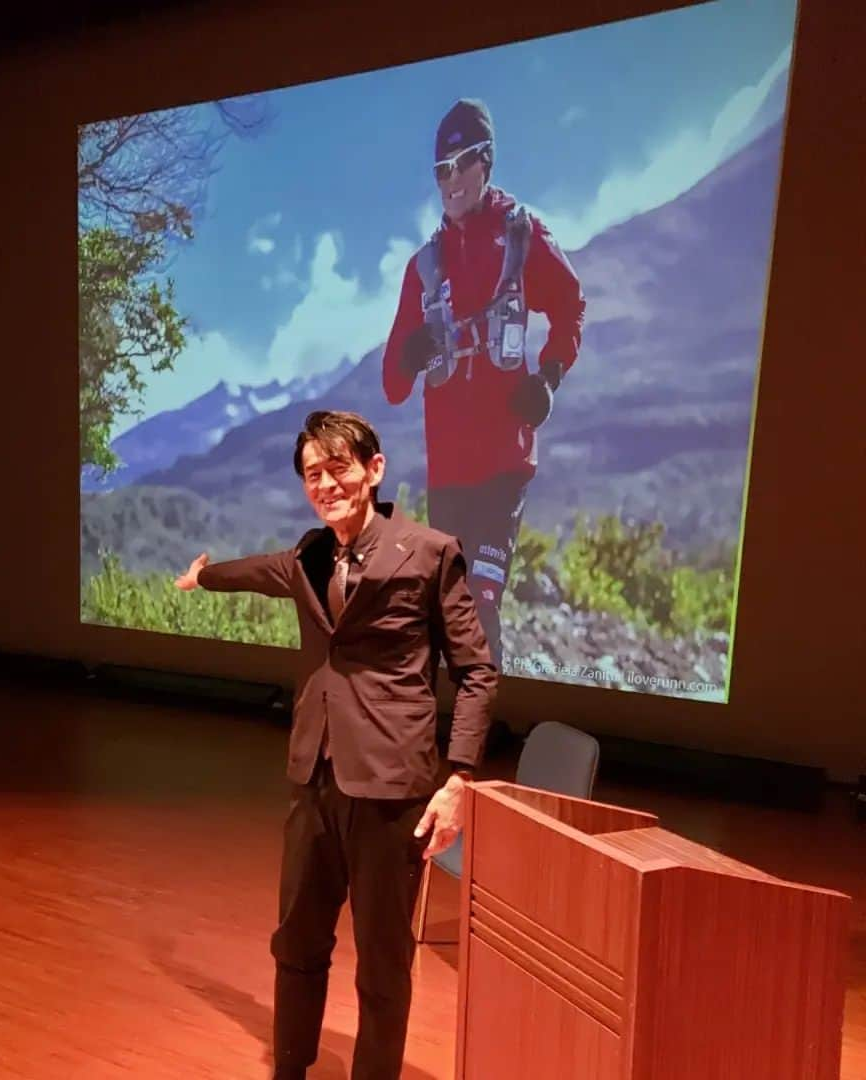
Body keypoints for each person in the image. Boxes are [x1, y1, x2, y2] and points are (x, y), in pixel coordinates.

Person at [175, 410, 497, 1080]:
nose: (326, 484)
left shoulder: (431, 552)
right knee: (296, 943)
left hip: (390, 793)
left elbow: (476, 671)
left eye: (338, 468)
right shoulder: (309, 555)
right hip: (314, 782)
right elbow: (258, 571)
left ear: (374, 470)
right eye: (313, 475)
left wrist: (460, 777)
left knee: (383, 966)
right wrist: (202, 577)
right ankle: (289, 1069)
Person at [383, 97, 586, 672]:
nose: (449, 180)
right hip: (449, 473)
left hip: (504, 463)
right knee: (449, 618)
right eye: (439, 170)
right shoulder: (423, 267)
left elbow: (571, 307)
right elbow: (393, 385)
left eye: (459, 164)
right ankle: (449, 745)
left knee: (479, 604)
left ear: (486, 161)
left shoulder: (521, 236)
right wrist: (412, 353)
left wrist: (548, 378)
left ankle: (476, 755)